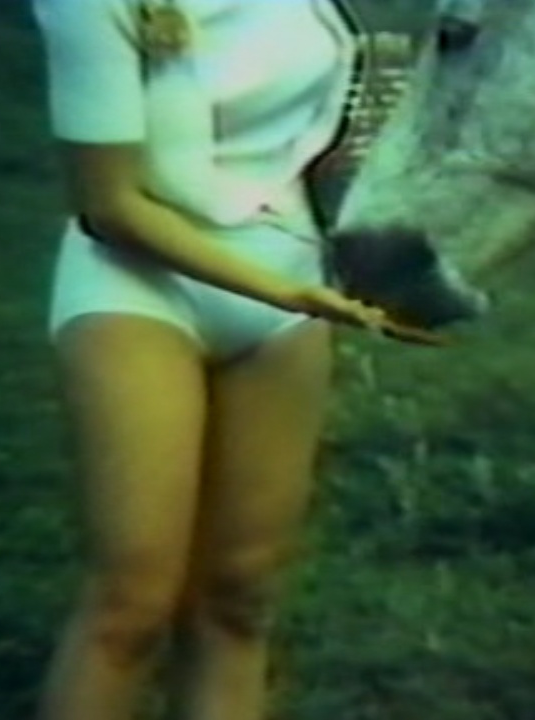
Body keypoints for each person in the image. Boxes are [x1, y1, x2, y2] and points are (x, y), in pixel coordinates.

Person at [29, 1, 401, 718]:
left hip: (285, 285)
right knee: (131, 607)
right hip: (139, 287)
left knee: (240, 600)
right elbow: (109, 205)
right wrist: (283, 289)